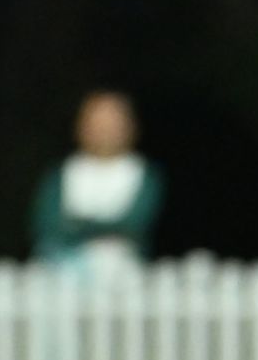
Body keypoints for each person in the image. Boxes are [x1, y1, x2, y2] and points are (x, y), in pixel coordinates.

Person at [30, 90, 165, 284]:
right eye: (97, 121)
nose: (105, 129)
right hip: (62, 270)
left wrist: (78, 224)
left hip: (124, 274)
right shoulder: (60, 175)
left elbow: (135, 225)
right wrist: (107, 228)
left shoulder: (145, 174)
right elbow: (47, 225)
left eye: (113, 121)